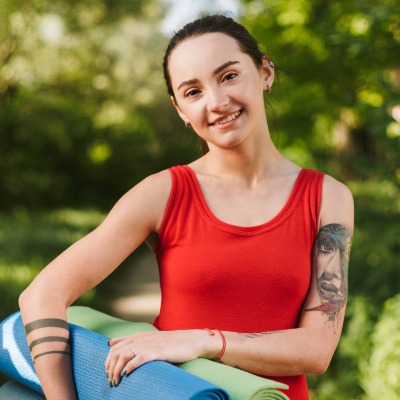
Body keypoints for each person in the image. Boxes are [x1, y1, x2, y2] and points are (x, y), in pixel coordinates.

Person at [18, 14, 354, 400]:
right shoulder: (163, 193)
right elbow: (41, 294)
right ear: (180, 109)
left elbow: (317, 350)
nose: (217, 102)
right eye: (193, 92)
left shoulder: (328, 197)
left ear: (265, 72)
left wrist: (202, 341)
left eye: (229, 76)